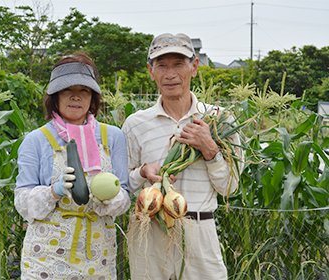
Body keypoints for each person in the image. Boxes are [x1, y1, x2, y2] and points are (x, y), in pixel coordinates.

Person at [122, 33, 243, 279]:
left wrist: (209, 148)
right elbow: (122, 186)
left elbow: (230, 188)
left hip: (199, 230)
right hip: (150, 231)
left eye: (178, 64)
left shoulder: (219, 120)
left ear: (194, 66)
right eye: (162, 66)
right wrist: (143, 172)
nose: (170, 74)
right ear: (151, 71)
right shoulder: (136, 124)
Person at [14, 52, 131, 279]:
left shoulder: (113, 137)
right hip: (46, 256)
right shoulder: (36, 140)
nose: (76, 97)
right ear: (55, 96)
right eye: (68, 90)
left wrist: (108, 199)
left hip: (98, 255)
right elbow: (22, 203)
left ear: (93, 98)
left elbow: (125, 197)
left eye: (84, 91)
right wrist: (53, 191)